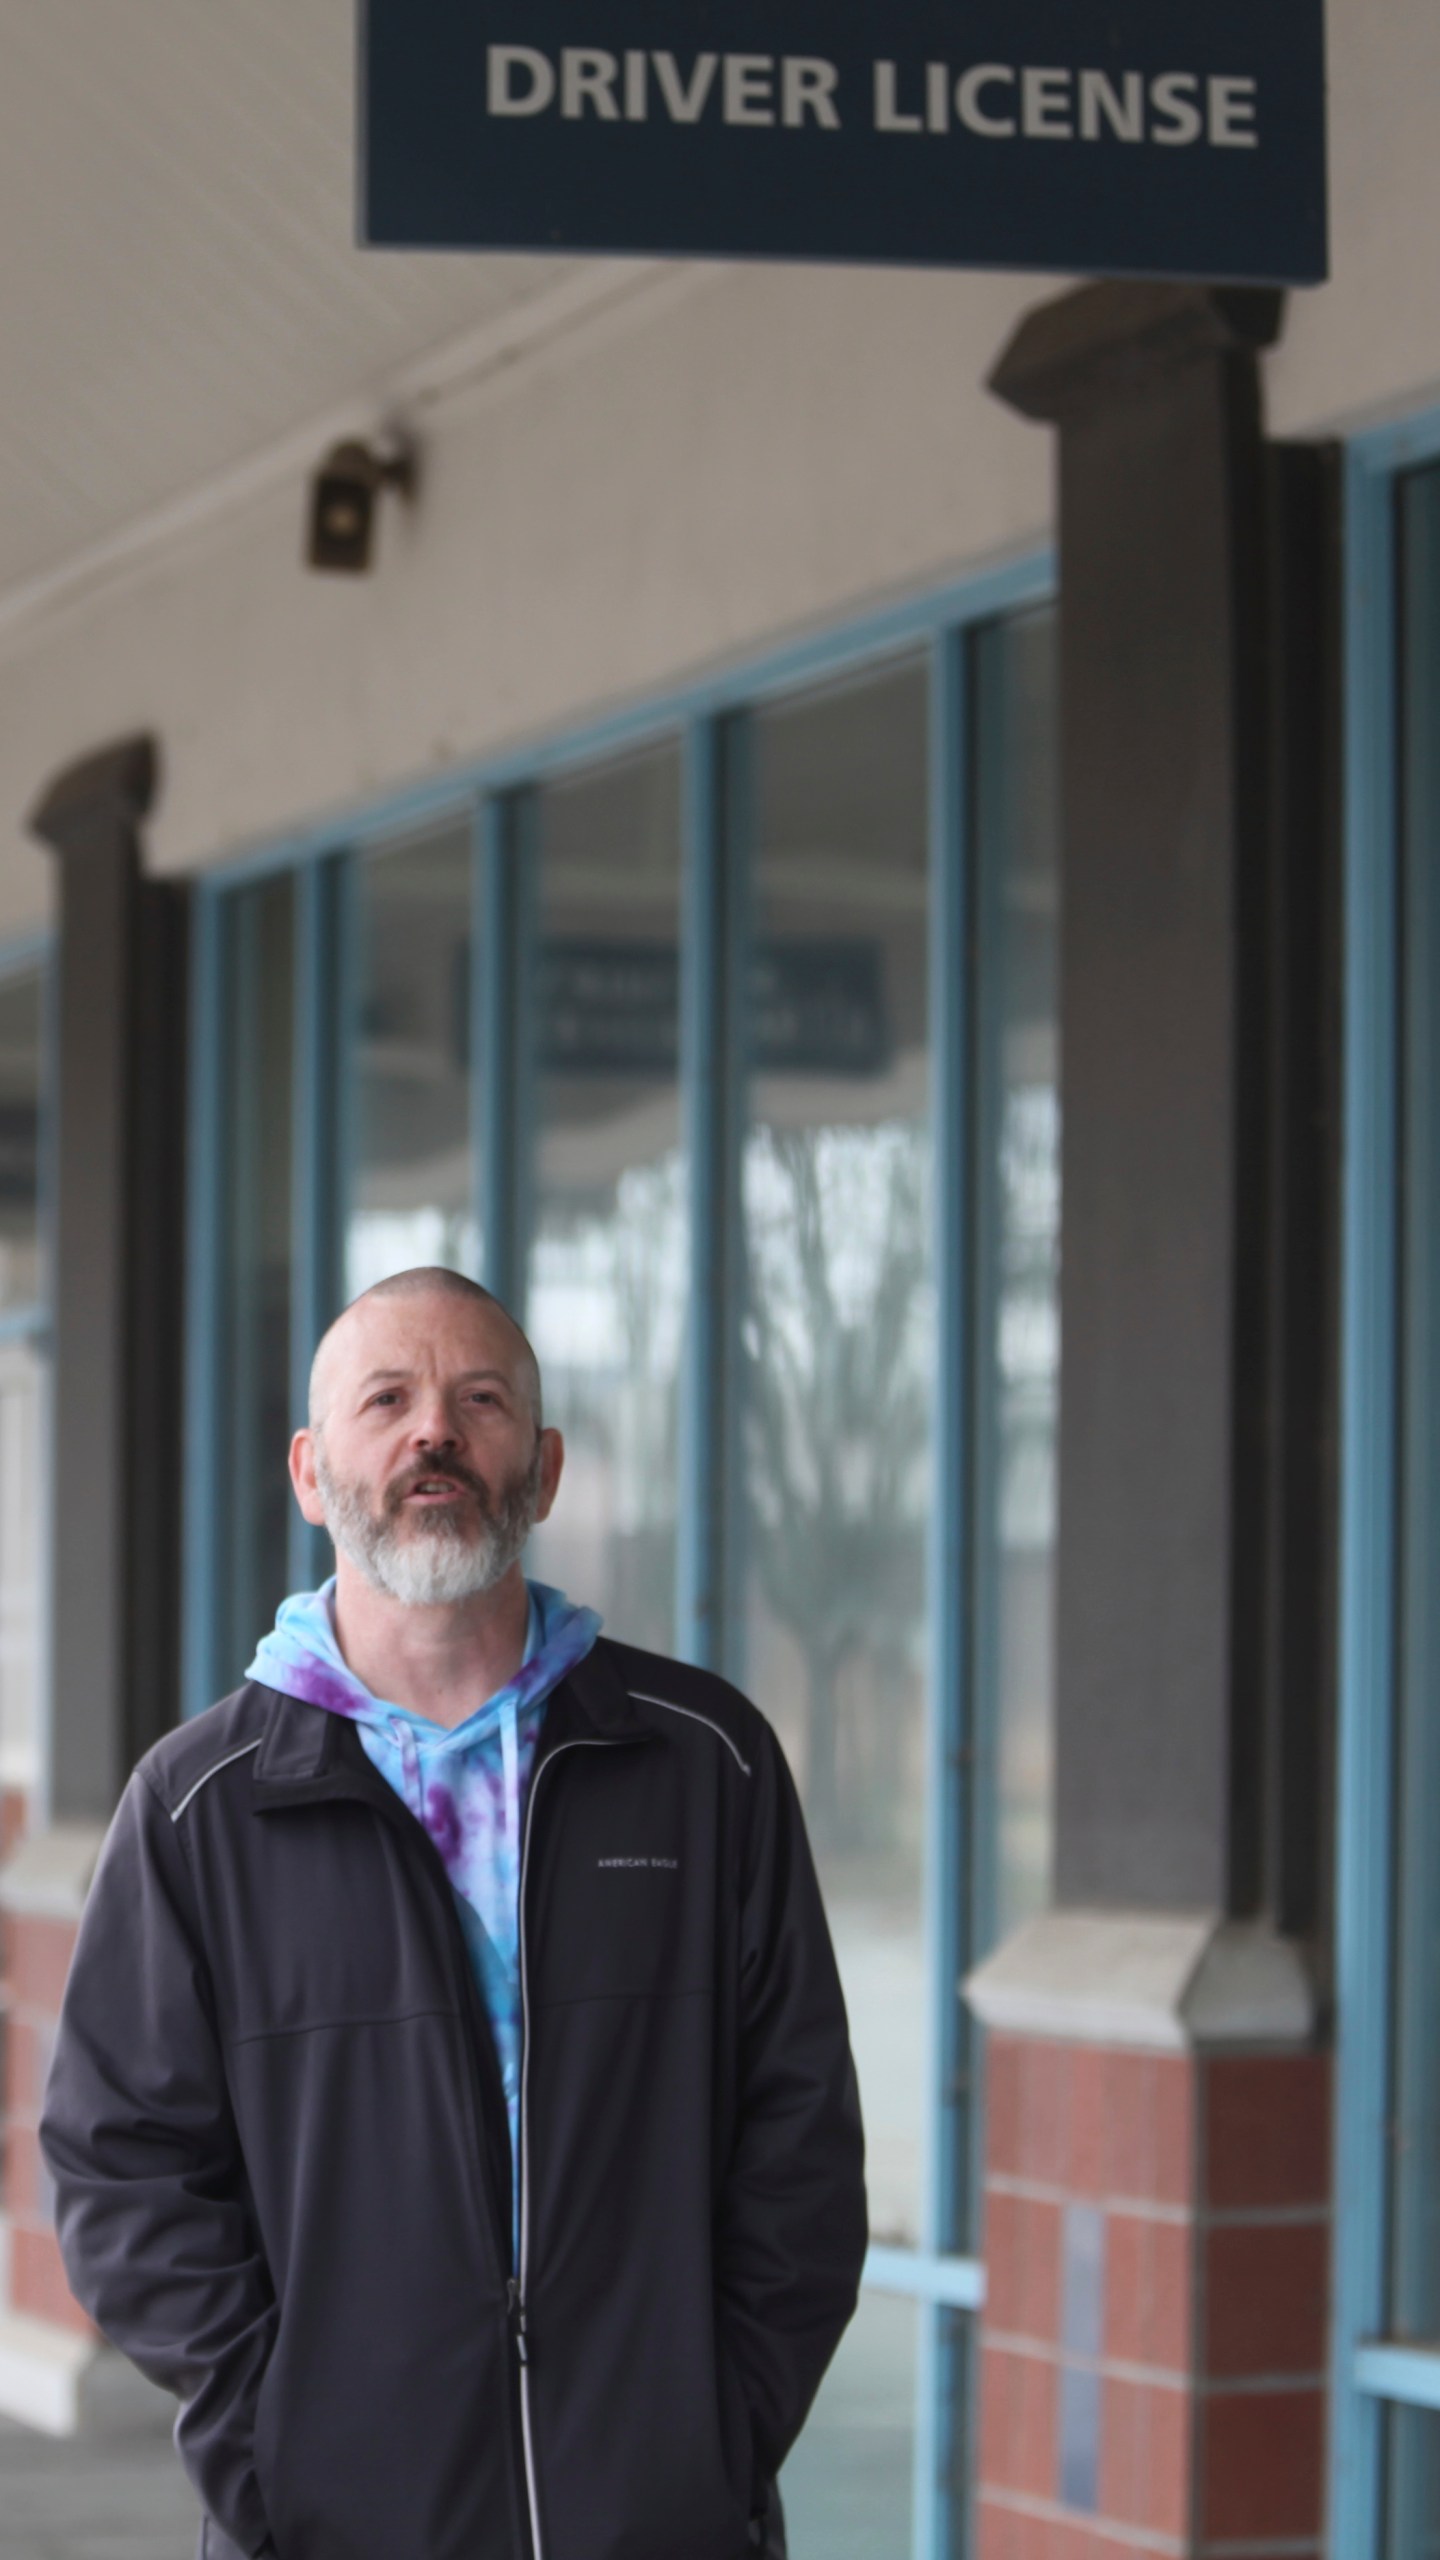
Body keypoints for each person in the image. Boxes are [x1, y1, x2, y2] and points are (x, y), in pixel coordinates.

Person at [40, 1267, 867, 2560]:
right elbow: (120, 2165)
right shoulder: (200, 1807)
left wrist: (717, 2428)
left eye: (478, 1400)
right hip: (334, 2529)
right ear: (313, 1474)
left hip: (662, 2523)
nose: (434, 1431)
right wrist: (278, 2437)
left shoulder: (706, 1765)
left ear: (540, 1471)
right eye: (389, 1399)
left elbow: (799, 2140)